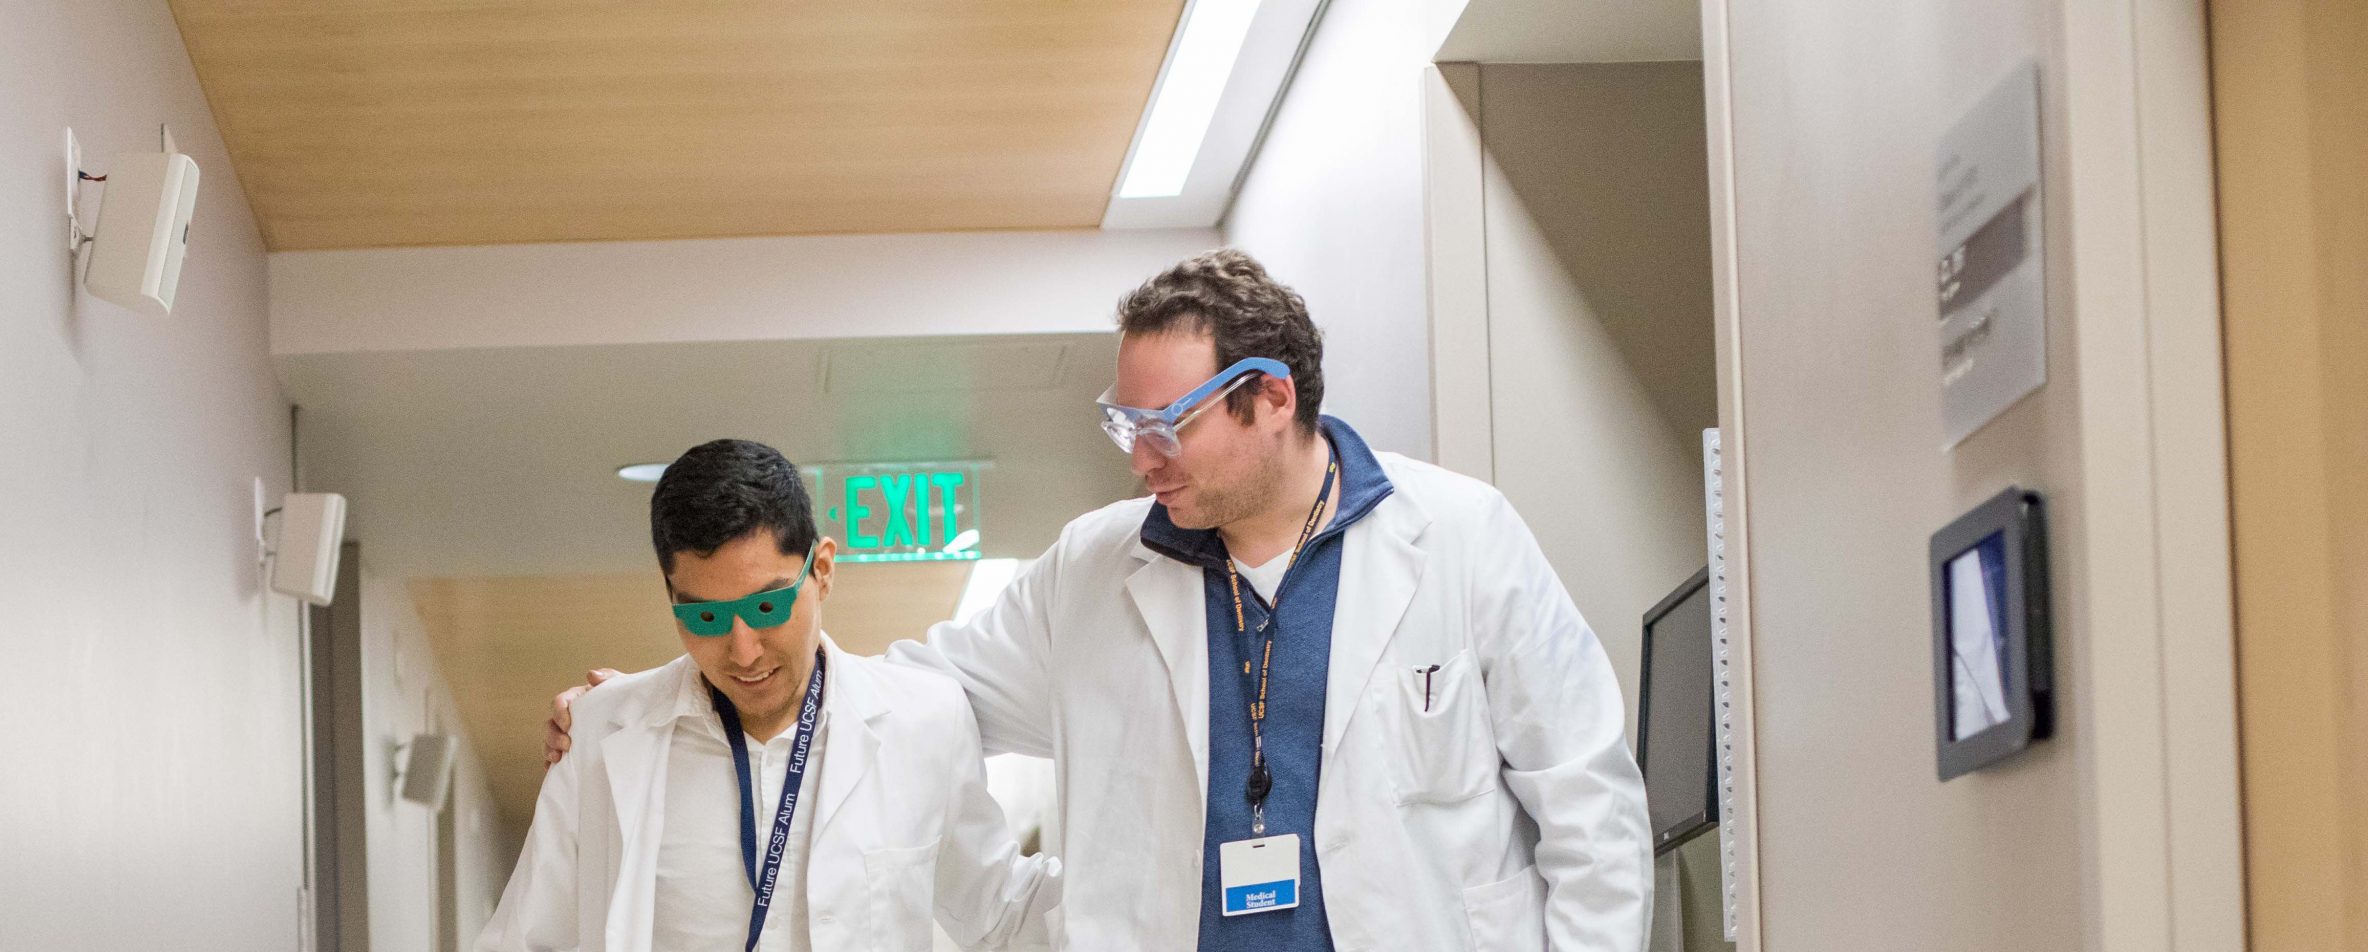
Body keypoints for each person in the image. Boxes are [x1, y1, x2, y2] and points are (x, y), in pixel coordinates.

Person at [551, 251, 1652, 951]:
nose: (1141, 460)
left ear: (1269, 396)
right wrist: (651, 705)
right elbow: (911, 697)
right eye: (1124, 427)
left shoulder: (1459, 536)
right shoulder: (1095, 566)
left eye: (1165, 426)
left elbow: (1588, 805)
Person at [484, 439, 1058, 952]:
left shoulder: (923, 721)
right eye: (706, 617)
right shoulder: (601, 735)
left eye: (767, 607)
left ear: (823, 571)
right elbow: (527, 937)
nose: (743, 652)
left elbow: (1001, 915)